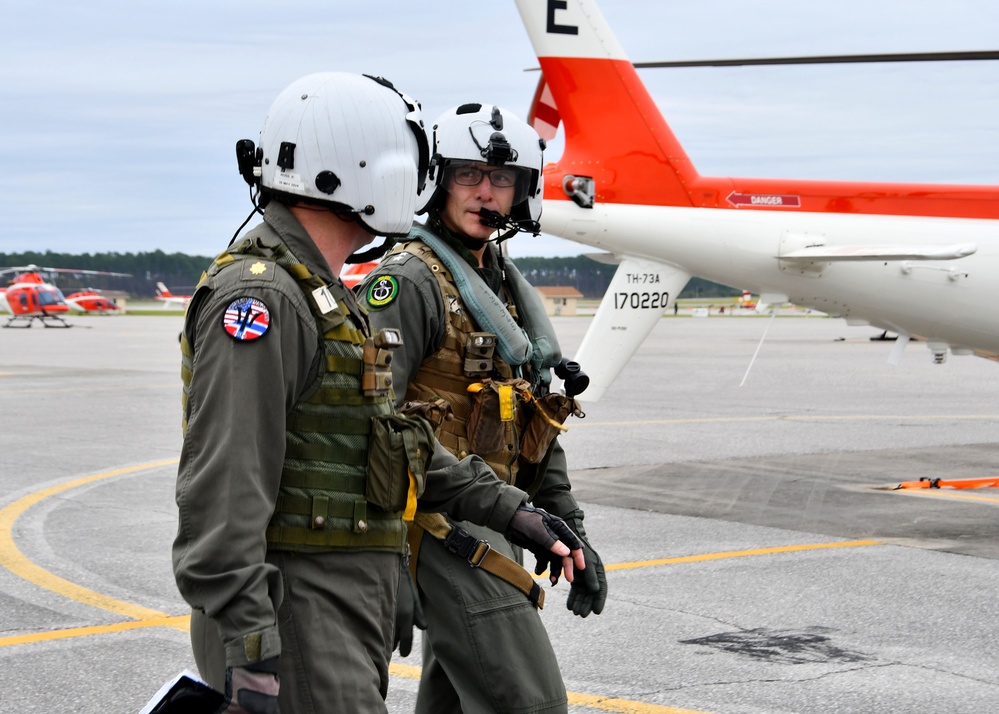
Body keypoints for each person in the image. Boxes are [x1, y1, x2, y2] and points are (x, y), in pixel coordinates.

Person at [171, 75, 584, 714]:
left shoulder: (322, 295)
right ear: (359, 168)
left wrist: (514, 512)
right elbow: (225, 489)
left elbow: (387, 440)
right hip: (298, 607)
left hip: (340, 599)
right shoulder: (266, 299)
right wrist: (251, 647)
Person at [360, 103, 608, 714]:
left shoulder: (501, 288)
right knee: (528, 703)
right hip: (436, 522)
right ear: (438, 180)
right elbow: (373, 422)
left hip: (499, 516)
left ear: (523, 192)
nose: (485, 192)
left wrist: (568, 524)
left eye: (502, 179)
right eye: (468, 174)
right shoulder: (408, 282)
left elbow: (535, 420)